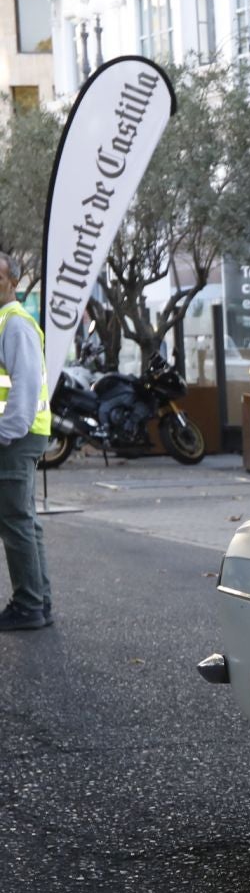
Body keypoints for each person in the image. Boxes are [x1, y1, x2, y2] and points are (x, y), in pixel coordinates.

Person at [0, 251, 53, 631]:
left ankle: (28, 605)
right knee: (24, 521)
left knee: (16, 519)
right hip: (20, 434)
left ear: (12, 281)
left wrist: (6, 433)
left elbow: (25, 386)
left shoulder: (15, 323)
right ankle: (39, 601)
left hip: (16, 436)